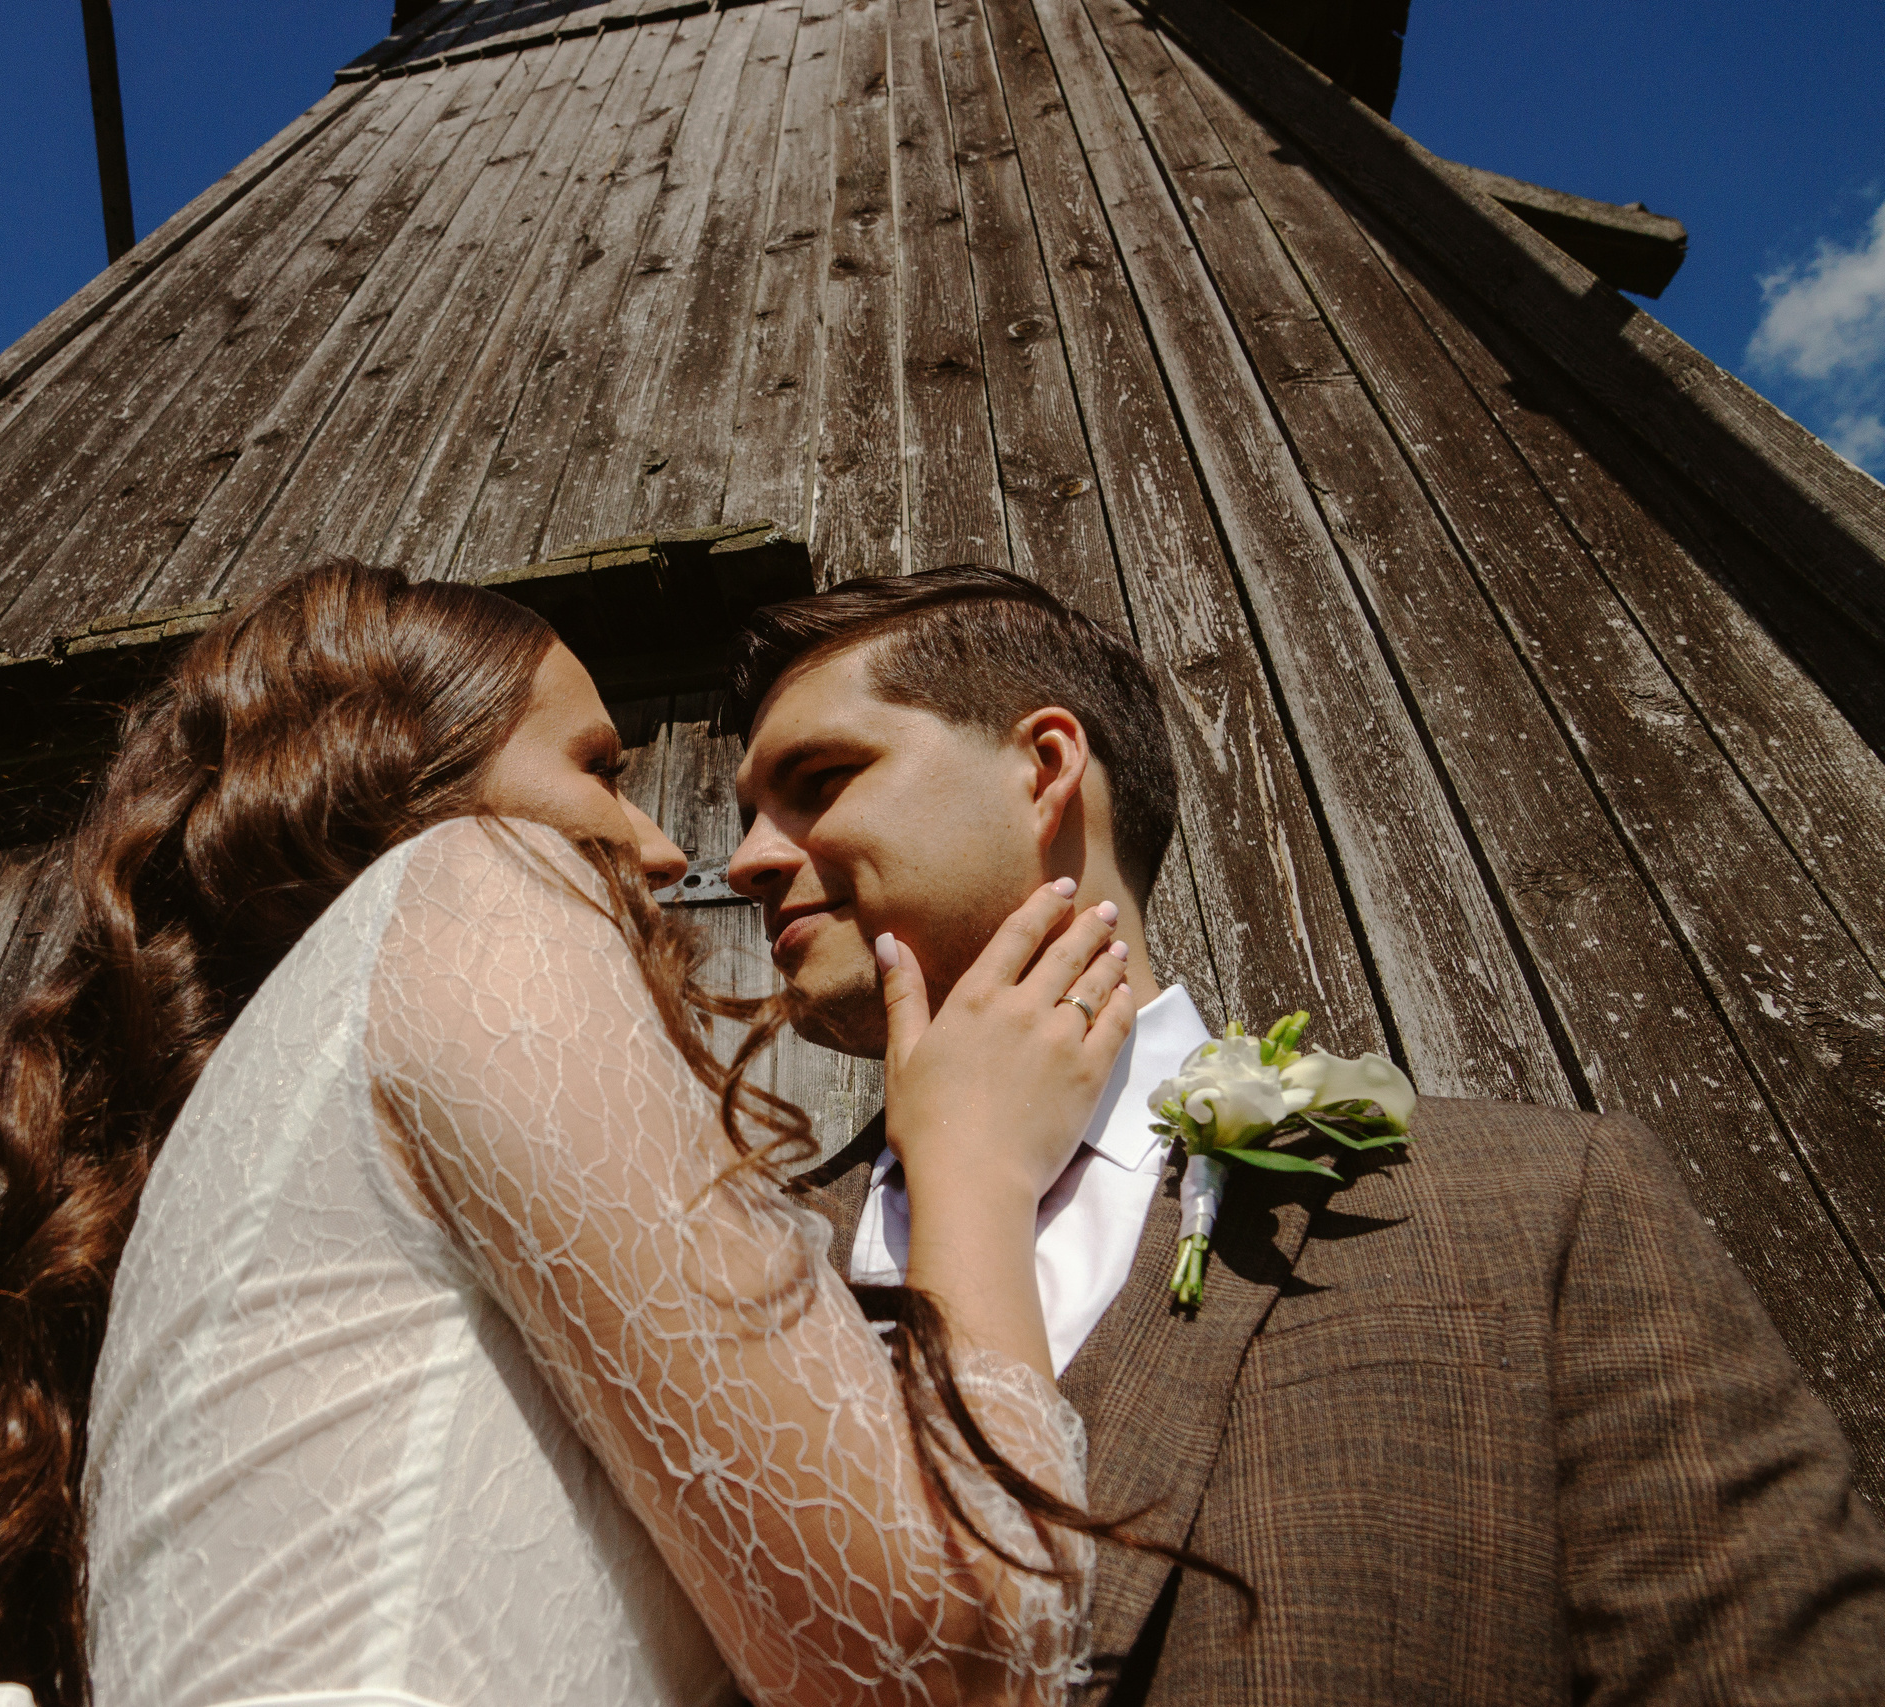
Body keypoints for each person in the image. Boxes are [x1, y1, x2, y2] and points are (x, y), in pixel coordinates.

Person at [0, 561, 1164, 1707]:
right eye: (596, 767)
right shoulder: (477, 890)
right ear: (409, 783)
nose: (664, 846)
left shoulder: (252, 1152)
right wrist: (975, 1171)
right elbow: (946, 1649)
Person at [722, 564, 1885, 1704]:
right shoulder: (724, 1272)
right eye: (747, 816)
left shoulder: (1538, 1205)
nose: (745, 862)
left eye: (819, 781)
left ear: (1044, 769)